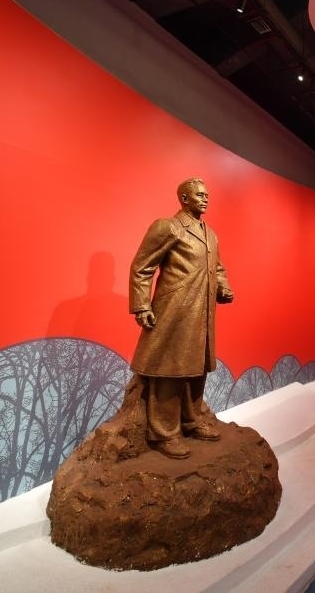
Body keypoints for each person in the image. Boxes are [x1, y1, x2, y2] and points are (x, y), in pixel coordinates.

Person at [128, 177, 234, 459]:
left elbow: (218, 268)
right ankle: (164, 433)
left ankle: (192, 420)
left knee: (198, 368)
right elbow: (142, 267)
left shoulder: (210, 234)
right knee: (170, 370)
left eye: (207, 194)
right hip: (175, 310)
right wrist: (142, 306)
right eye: (199, 194)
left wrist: (223, 287)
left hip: (203, 312)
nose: (205, 198)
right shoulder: (168, 227)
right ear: (184, 199)